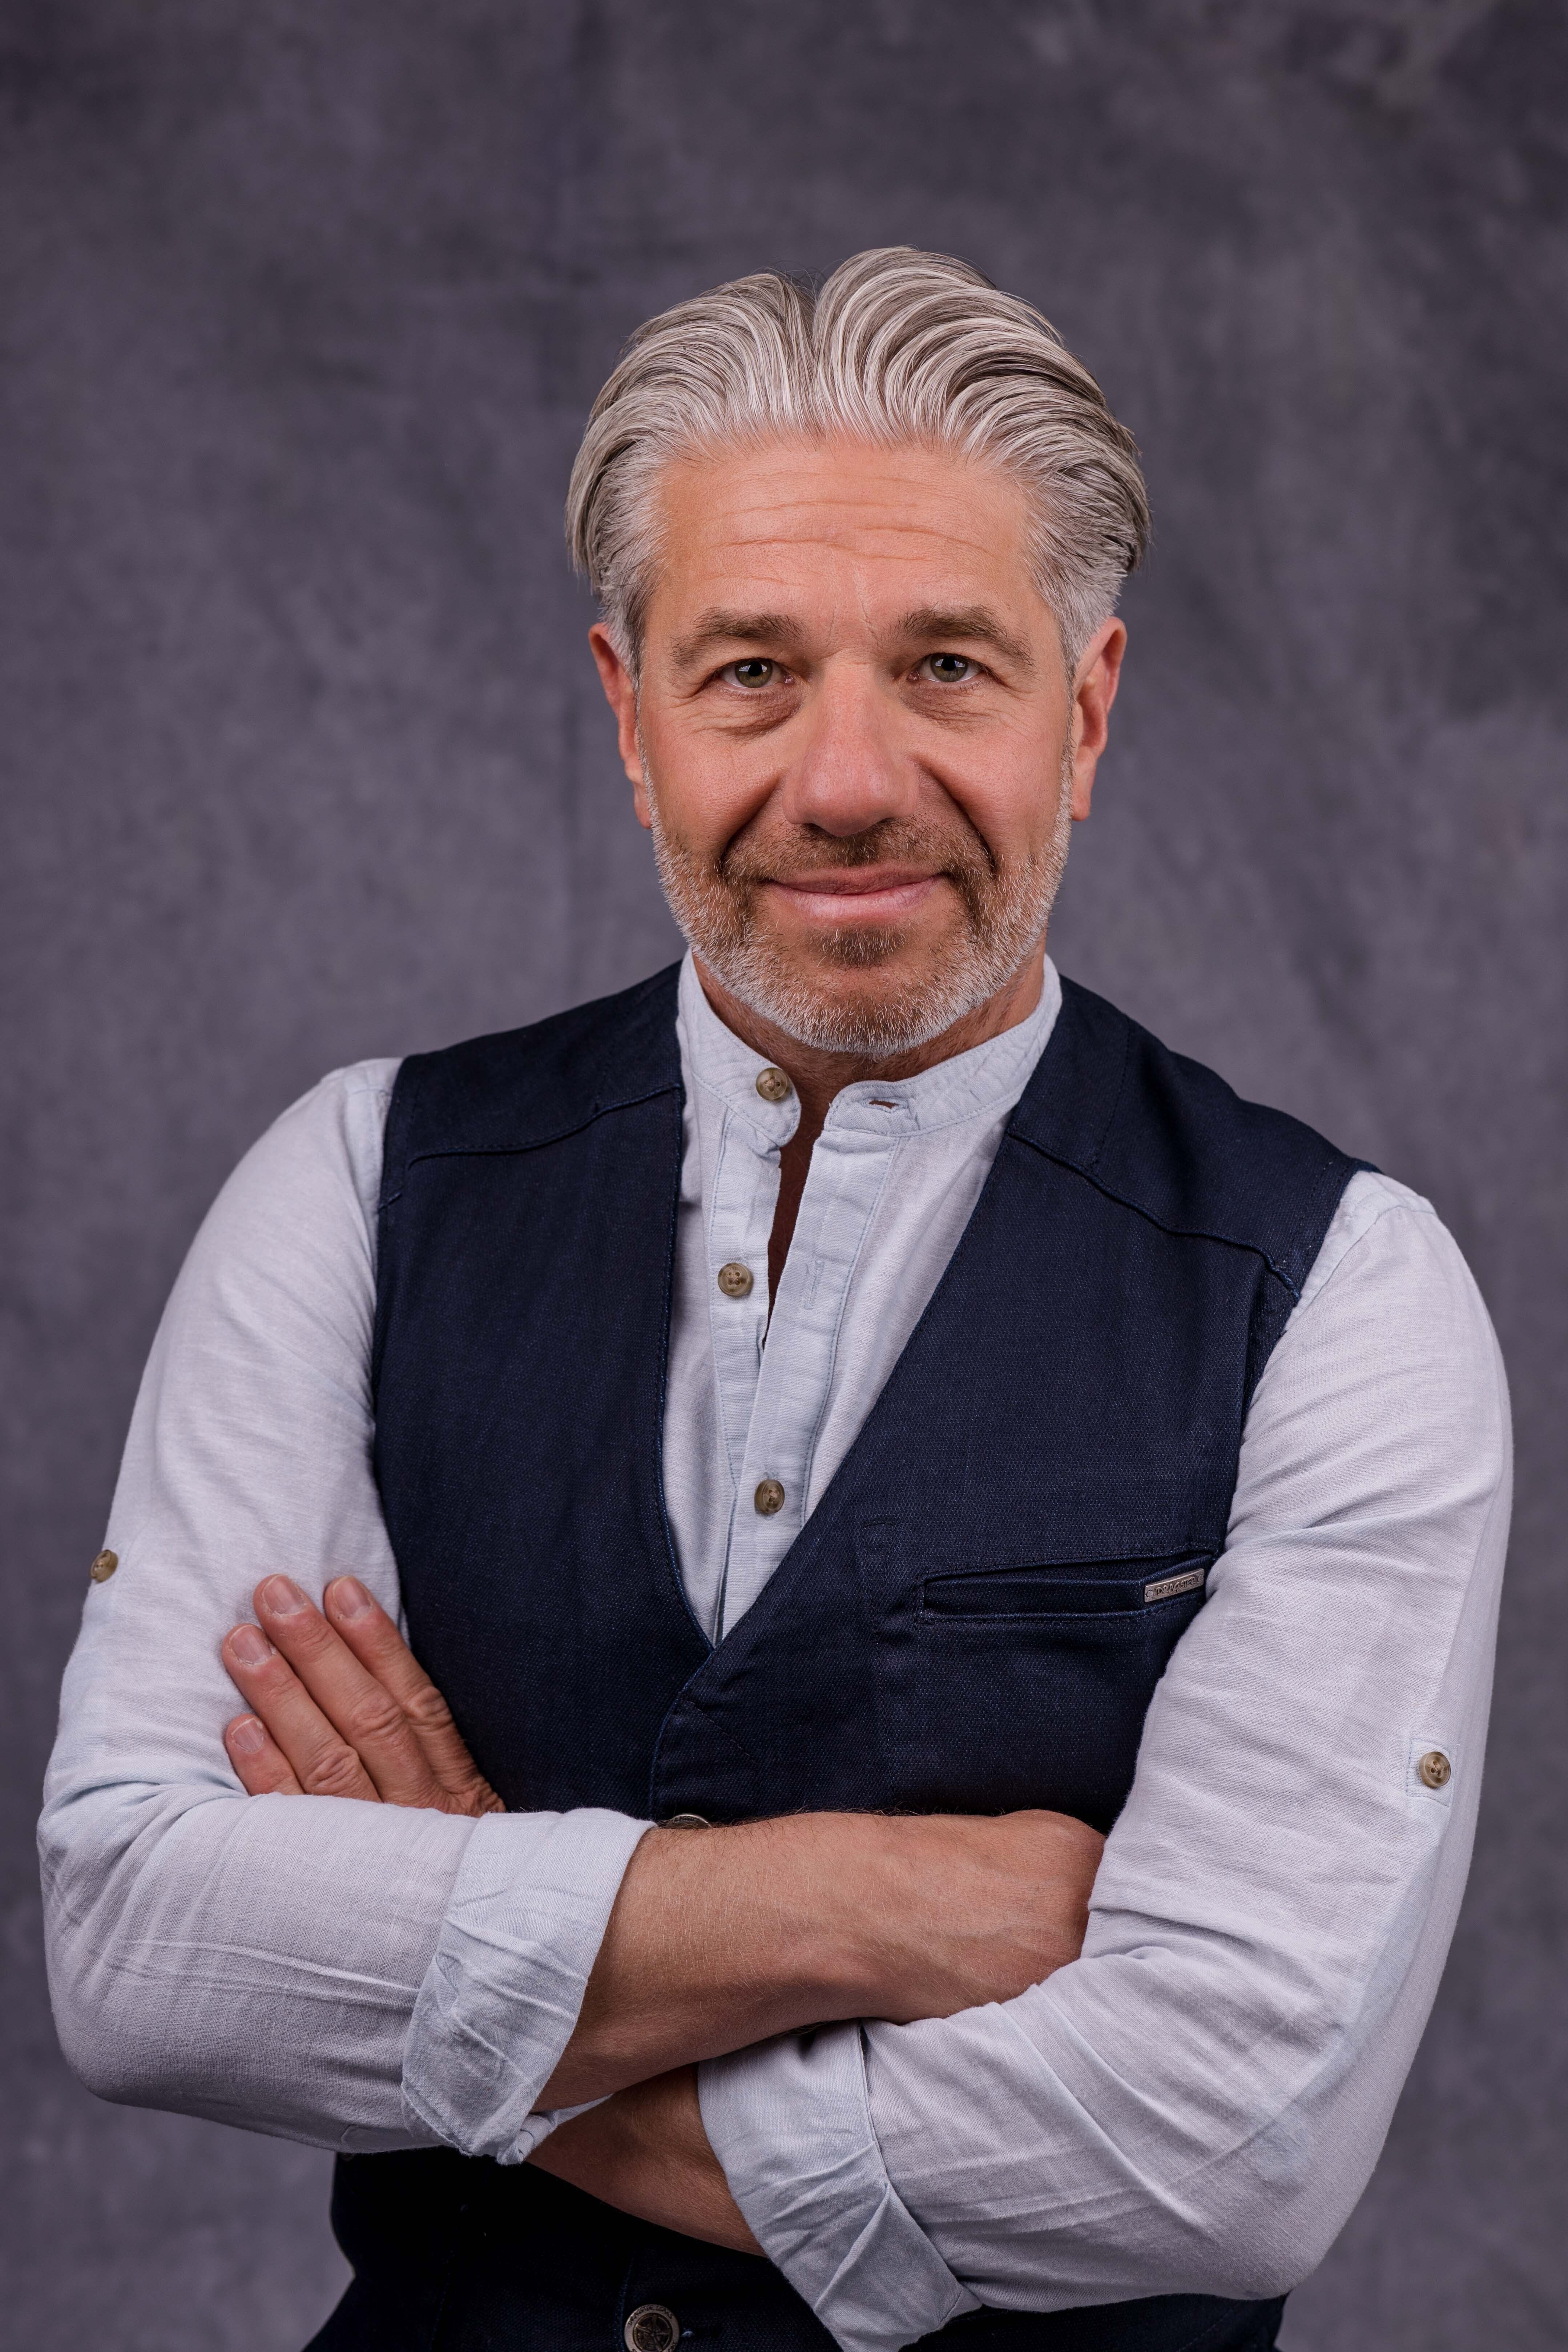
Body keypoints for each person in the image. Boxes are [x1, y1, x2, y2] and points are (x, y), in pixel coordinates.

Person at [40, 249, 1510, 2352]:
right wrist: (860, 1908)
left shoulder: (1341, 1288)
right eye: (749, 671)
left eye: (947, 666)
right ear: (628, 718)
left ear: (1085, 714)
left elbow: (1225, 2149)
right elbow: (134, 1946)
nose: (844, 781)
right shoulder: (358, 1181)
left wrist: (466, 1968)